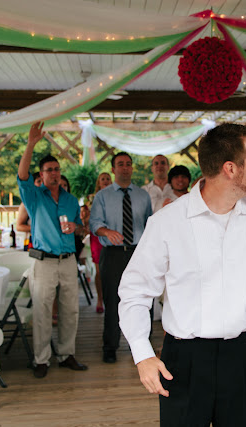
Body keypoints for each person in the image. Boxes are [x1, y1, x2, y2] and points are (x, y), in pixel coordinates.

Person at [118, 123, 246, 426]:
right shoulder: (167, 222)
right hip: (183, 360)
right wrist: (142, 353)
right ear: (230, 168)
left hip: (242, 356)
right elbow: (135, 291)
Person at [18, 121, 88, 379]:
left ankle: (67, 354)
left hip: (68, 261)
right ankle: (41, 359)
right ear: (42, 174)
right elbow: (22, 176)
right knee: (42, 311)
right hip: (44, 262)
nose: (54, 173)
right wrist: (30, 144)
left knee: (70, 310)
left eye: (57, 169)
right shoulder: (34, 196)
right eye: (49, 170)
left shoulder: (70, 200)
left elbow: (81, 229)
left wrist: (76, 227)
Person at [90, 152, 152, 363]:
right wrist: (107, 231)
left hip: (138, 253)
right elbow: (94, 223)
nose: (125, 168)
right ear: (113, 169)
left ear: (132, 168)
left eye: (128, 164)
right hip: (113, 254)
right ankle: (110, 346)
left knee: (144, 298)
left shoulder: (143, 196)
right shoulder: (102, 196)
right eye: (120, 164)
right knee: (113, 301)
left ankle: (143, 348)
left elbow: (150, 224)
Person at [89, 172, 112, 314]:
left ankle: (112, 299)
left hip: (112, 234)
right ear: (99, 182)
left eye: (108, 178)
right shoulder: (93, 199)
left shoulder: (116, 196)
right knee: (99, 270)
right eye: (102, 179)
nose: (105, 181)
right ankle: (99, 299)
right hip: (97, 236)